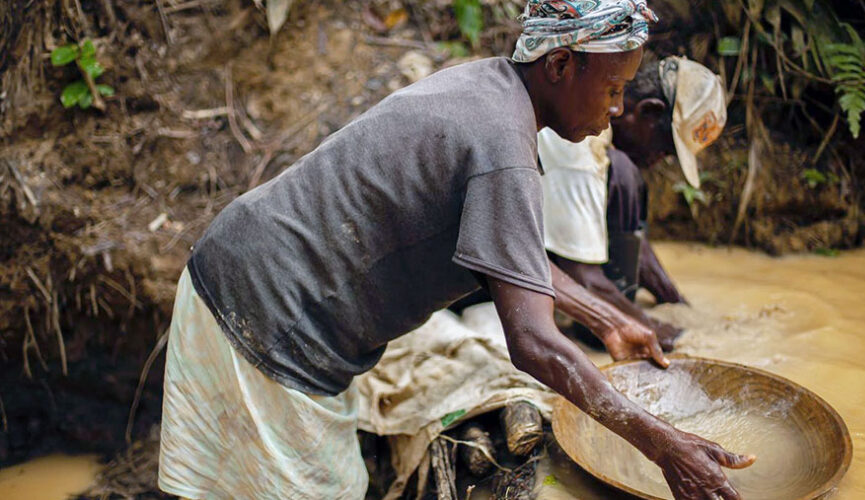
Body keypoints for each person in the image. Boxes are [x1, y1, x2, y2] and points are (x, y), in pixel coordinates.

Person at [157, 2, 753, 499]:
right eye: (615, 88)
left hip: (245, 272)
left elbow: (509, 259)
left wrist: (609, 320)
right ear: (561, 64)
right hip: (267, 312)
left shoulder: (492, 91)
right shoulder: (503, 147)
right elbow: (535, 343)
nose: (617, 109)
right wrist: (665, 445)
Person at [539, 55, 728, 350]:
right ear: (649, 112)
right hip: (479, 273)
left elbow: (638, 248)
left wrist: (676, 303)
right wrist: (662, 334)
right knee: (626, 175)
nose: (657, 161)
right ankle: (596, 331)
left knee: (628, 178)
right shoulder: (579, 143)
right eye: (664, 149)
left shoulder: (603, 128)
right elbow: (582, 276)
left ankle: (617, 308)